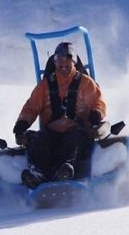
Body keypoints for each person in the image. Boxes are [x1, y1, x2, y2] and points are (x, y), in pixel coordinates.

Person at [13, 42, 106, 189]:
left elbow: (98, 102)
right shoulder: (45, 85)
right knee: (37, 139)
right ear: (55, 62)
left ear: (73, 62)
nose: (63, 65)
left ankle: (66, 170)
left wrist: (96, 114)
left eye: (67, 61)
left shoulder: (85, 83)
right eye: (59, 61)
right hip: (51, 132)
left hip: (76, 130)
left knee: (75, 139)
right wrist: (22, 123)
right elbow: (31, 107)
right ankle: (38, 173)